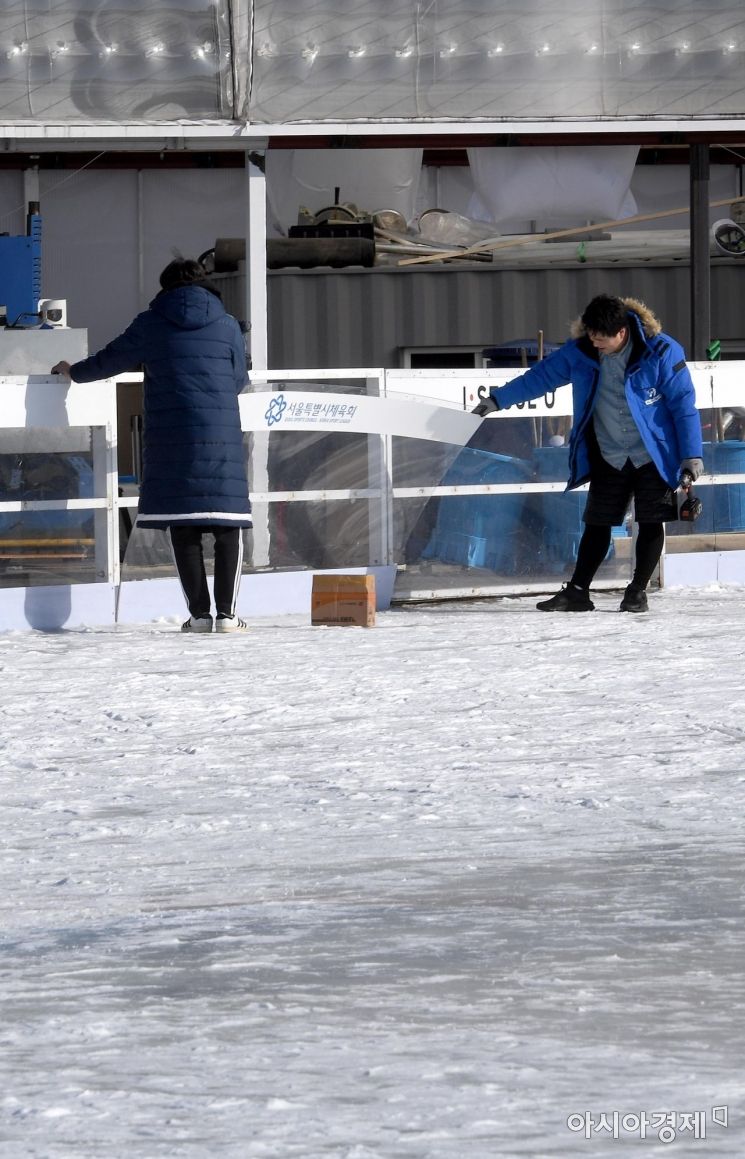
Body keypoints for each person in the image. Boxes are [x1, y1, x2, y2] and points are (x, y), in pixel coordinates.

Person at [52, 257, 252, 633]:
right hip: (220, 433)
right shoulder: (228, 327)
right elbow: (239, 379)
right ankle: (227, 616)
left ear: (165, 288)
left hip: (170, 436)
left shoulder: (151, 323)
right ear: (204, 285)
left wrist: (73, 371)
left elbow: (110, 360)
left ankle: (198, 615)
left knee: (185, 525)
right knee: (228, 526)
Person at [473, 294, 704, 613]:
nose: (595, 342)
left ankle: (637, 590)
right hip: (609, 451)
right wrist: (496, 401)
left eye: (602, 337)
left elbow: (683, 405)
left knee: (651, 521)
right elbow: (539, 379)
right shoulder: (580, 351)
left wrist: (691, 456)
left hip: (655, 452)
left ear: (622, 332)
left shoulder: (661, 351)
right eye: (591, 334)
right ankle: (578, 592)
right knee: (597, 522)